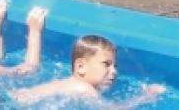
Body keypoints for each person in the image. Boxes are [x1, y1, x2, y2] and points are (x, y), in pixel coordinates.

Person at [11, 35, 165, 107]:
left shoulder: (70, 84)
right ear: (81, 67)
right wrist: (145, 96)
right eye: (106, 64)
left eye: (115, 66)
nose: (114, 71)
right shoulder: (83, 87)